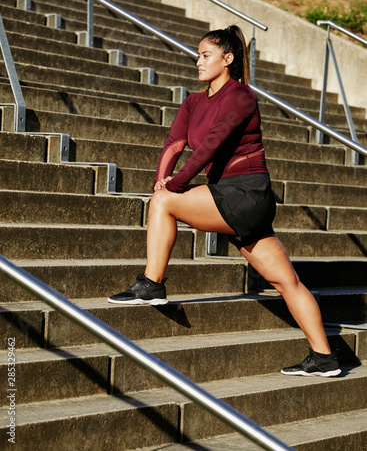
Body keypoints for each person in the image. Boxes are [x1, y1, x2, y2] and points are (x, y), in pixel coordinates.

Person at [108, 25, 341, 378]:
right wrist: (162, 177)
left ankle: (152, 284)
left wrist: (175, 185)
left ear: (227, 59)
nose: (198, 61)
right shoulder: (194, 101)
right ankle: (324, 357)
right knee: (286, 281)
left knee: (164, 203)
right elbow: (174, 143)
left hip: (246, 193)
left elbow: (211, 144)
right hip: (233, 197)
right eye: (198, 55)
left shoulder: (241, 97)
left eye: (205, 55)